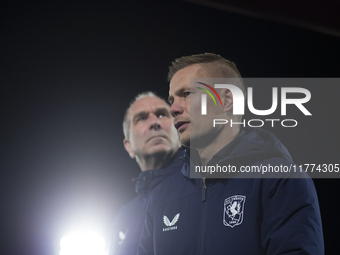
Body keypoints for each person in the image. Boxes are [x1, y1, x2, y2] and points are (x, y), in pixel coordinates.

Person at [139, 53, 324, 254]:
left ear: (226, 101)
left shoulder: (280, 178)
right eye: (172, 99)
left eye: (187, 94)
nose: (173, 108)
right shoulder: (160, 197)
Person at [110, 92, 182, 255]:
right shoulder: (123, 217)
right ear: (129, 146)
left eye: (162, 114)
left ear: (178, 132)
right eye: (141, 118)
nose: (155, 122)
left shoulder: (202, 189)